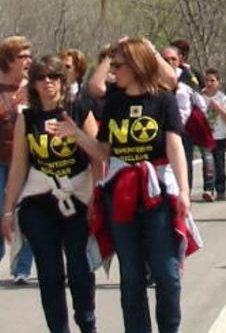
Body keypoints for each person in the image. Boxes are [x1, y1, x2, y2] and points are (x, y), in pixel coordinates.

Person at [58, 38, 194, 333]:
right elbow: (104, 151)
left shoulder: (163, 99)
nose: (113, 71)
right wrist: (76, 135)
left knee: (167, 274)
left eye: (118, 65)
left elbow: (174, 147)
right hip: (120, 195)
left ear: (136, 65)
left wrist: (184, 190)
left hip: (156, 191)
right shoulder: (115, 102)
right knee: (131, 278)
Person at [1, 56, 99, 332]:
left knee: (80, 270)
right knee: (49, 273)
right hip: (39, 202)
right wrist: (8, 210)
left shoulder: (78, 109)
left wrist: (97, 196)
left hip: (77, 199)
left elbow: (98, 156)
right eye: (41, 78)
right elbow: (19, 165)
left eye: (54, 77)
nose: (48, 83)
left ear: (62, 82)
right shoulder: (27, 117)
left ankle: (87, 323)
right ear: (33, 84)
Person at [0, 36, 35, 283]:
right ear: (9, 59)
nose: (29, 60)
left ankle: (22, 268)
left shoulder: (32, 89)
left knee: (27, 215)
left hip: (27, 162)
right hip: (0, 161)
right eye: (23, 56)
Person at [160, 46, 208, 196]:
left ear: (179, 60)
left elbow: (200, 102)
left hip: (184, 130)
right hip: (160, 131)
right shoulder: (154, 77)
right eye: (165, 59)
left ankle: (184, 196)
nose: (169, 62)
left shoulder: (187, 76)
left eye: (173, 59)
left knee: (184, 165)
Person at [202, 69, 226, 201]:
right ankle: (208, 189)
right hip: (205, 136)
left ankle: (221, 188)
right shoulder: (200, 97)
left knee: (219, 164)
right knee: (208, 163)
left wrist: (217, 107)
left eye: (212, 80)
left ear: (218, 82)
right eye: (207, 80)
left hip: (220, 136)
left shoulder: (223, 98)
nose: (209, 83)